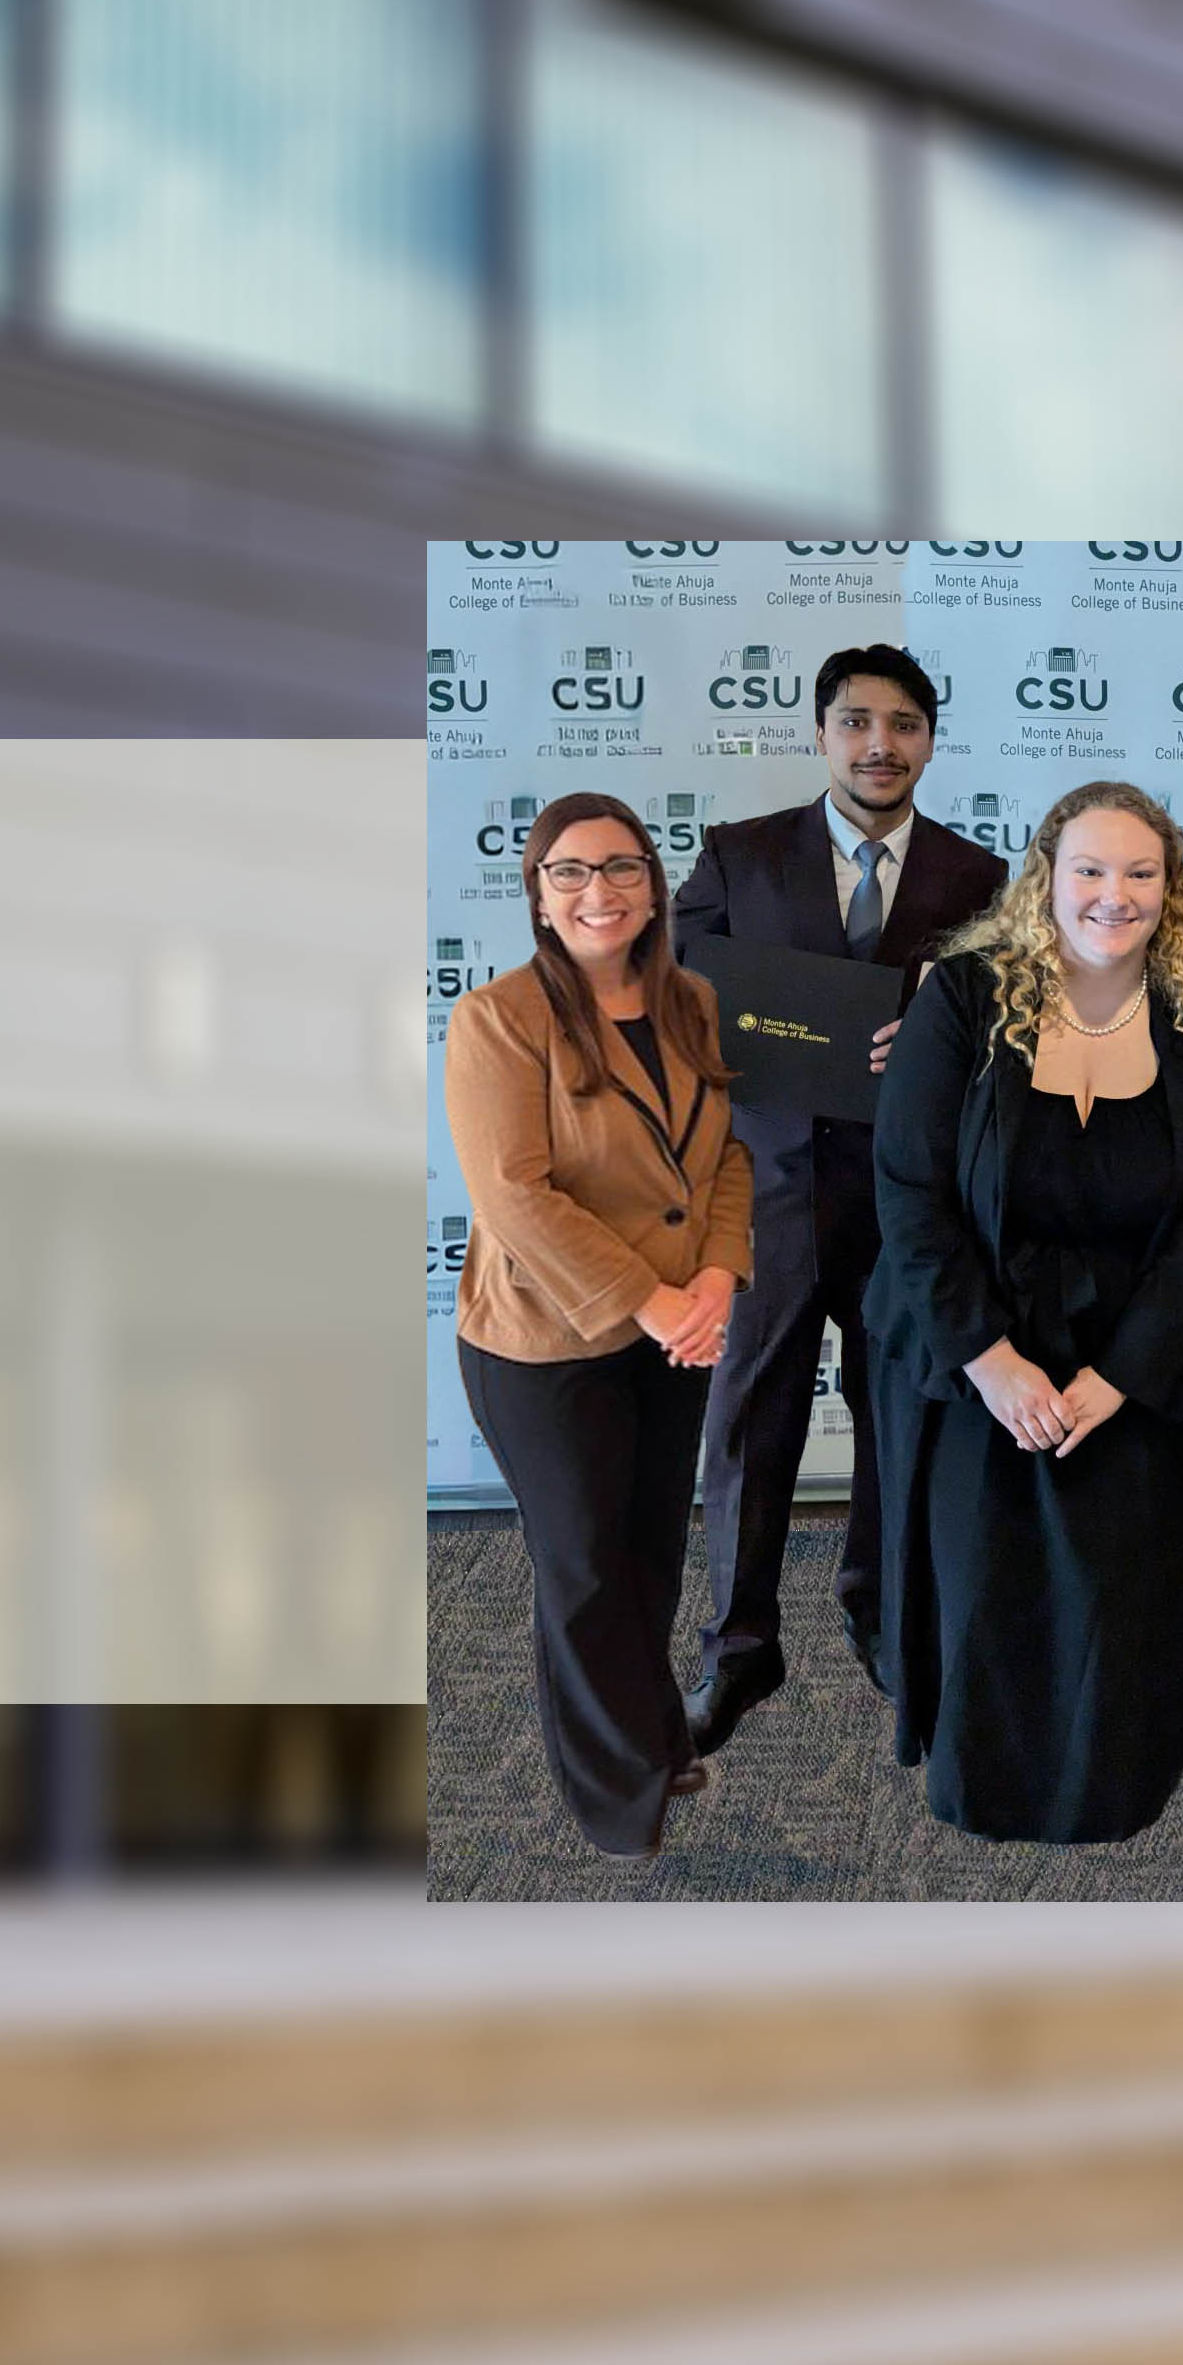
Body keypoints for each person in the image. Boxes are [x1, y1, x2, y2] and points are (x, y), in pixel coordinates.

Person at [864, 780, 1183, 1843]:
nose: (1112, 895)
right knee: (984, 1581)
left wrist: (1120, 1375)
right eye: (1089, 869)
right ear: (1045, 877)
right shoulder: (962, 997)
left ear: (1171, 890)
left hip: (1137, 1357)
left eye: (1140, 873)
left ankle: (1112, 1793)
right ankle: (979, 1785)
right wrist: (991, 1360)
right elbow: (909, 1193)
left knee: (1120, 1593)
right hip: (973, 1345)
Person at [668, 644, 1006, 1749]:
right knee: (745, 1425)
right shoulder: (740, 854)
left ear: (931, 742)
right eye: (856, 722)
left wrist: (945, 1041)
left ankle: (880, 1611)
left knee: (897, 1417)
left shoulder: (978, 877)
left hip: (901, 1204)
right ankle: (738, 1646)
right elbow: (673, 986)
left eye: (903, 724)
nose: (879, 745)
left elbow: (1010, 1029)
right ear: (820, 734)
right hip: (761, 1193)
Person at [445, 793, 753, 1859]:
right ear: (538, 896)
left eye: (621, 867)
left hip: (674, 1332)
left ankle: (653, 1734)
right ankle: (618, 1798)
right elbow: (514, 1195)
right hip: (546, 1342)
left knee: (650, 1554)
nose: (598, 891)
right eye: (569, 872)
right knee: (583, 1570)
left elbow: (726, 1155)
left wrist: (717, 1272)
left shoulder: (691, 1001)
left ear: (653, 889)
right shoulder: (497, 1018)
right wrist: (652, 1298)